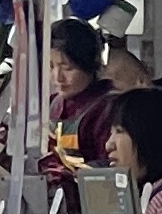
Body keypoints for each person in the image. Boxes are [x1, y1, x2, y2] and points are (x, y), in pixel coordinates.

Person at [45, 21, 118, 153]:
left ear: (89, 64)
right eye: (51, 67)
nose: (58, 77)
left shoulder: (110, 109)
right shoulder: (51, 104)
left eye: (67, 68)